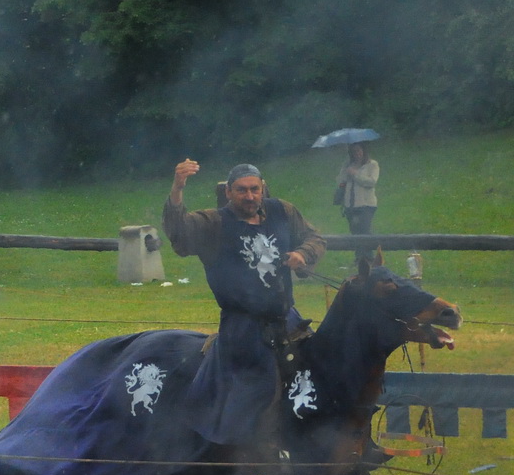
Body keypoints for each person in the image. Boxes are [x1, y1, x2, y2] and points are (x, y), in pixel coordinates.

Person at [163, 159, 325, 448]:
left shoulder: (283, 212)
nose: (249, 196)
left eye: (254, 189)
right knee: (256, 386)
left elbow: (315, 238)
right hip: (242, 325)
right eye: (241, 190)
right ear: (228, 192)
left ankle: (313, 439)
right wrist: (178, 187)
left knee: (315, 371)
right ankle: (250, 449)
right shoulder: (214, 224)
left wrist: (304, 254)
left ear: (262, 189)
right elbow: (179, 233)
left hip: (285, 318)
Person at [334, 142, 380, 235]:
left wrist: (355, 174)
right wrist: (345, 172)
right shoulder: (347, 164)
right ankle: (361, 250)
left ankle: (367, 249)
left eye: (358, 150)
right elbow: (340, 181)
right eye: (354, 151)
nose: (357, 153)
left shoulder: (372, 164)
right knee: (354, 233)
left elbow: (371, 182)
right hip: (350, 206)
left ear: (363, 150)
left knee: (364, 233)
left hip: (366, 206)